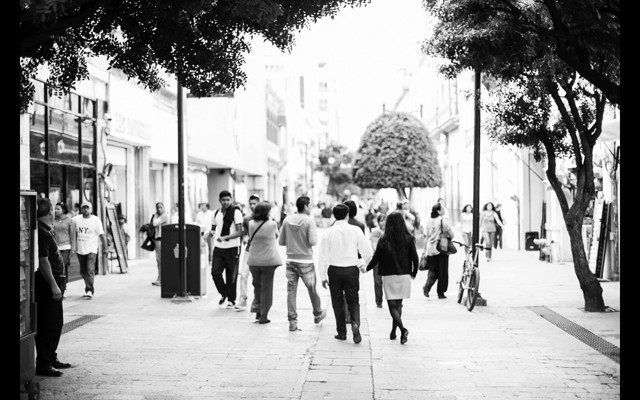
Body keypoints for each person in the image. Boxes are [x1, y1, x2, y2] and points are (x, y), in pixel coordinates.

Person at [318, 203, 373, 344]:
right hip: (351, 270)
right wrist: (364, 264)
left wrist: (323, 276)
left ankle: (341, 332)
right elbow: (367, 251)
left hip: (334, 270)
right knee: (353, 299)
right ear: (348, 215)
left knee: (337, 302)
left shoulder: (328, 232)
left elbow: (322, 256)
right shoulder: (355, 230)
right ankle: (355, 323)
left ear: (334, 216)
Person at [365, 211, 419, 344]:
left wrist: (366, 268)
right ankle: (394, 332)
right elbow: (415, 258)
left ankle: (402, 329)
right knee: (399, 304)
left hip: (389, 276)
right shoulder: (409, 238)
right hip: (404, 275)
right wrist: (413, 272)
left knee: (391, 306)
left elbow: (376, 258)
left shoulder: (384, 240)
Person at [35, 197, 72, 377]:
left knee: (56, 323)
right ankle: (44, 362)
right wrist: (53, 285)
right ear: (49, 211)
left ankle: (50, 356)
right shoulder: (41, 232)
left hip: (55, 282)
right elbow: (43, 262)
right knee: (48, 324)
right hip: (48, 284)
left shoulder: (45, 230)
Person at [279, 195, 327, 332]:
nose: (311, 207)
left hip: (291, 260)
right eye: (310, 205)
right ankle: (317, 314)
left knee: (291, 292)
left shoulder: (287, 220)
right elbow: (313, 242)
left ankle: (292, 322)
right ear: (305, 206)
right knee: (312, 289)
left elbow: (281, 242)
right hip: (306, 260)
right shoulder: (309, 221)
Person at [247, 201, 282, 324]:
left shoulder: (250, 223)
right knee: (267, 288)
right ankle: (264, 316)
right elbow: (277, 236)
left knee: (257, 286)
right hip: (268, 261)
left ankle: (257, 310)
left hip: (254, 261)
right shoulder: (272, 224)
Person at [210, 190, 244, 308]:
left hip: (233, 247)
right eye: (223, 200)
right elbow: (213, 228)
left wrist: (225, 237)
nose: (225, 202)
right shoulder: (216, 213)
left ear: (231, 200)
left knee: (231, 274)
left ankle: (231, 299)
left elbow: (240, 232)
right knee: (215, 272)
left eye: (228, 200)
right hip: (219, 247)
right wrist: (210, 233)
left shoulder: (236, 213)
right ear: (220, 201)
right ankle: (224, 292)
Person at [71, 202, 107, 299]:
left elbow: (102, 235)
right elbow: (69, 227)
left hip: (91, 249)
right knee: (83, 271)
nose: (86, 210)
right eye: (84, 208)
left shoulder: (95, 220)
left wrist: (105, 248)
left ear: (91, 209)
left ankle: (89, 290)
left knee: (89, 270)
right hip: (80, 249)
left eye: (88, 208)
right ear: (81, 209)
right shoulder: (75, 219)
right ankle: (88, 286)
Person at [422, 202, 455, 299]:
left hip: (431, 249)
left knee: (433, 270)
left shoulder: (428, 221)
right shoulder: (443, 221)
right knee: (443, 271)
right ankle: (441, 293)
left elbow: (426, 237)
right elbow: (452, 235)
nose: (444, 210)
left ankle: (427, 287)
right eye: (443, 209)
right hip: (442, 247)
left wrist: (424, 250)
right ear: (439, 211)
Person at [235, 194, 261, 310]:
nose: (252, 206)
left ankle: (259, 301)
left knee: (258, 278)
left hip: (261, 251)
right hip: (249, 249)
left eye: (254, 203)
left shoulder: (265, 218)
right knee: (244, 274)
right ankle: (243, 299)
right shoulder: (246, 218)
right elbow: (244, 234)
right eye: (250, 204)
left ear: (259, 204)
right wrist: (245, 238)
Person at [53, 202, 74, 285]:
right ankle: (58, 285)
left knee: (61, 266)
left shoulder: (69, 221)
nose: (56, 211)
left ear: (63, 210)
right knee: (56, 267)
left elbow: (72, 235)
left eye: (58, 209)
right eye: (55, 209)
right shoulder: (53, 220)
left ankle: (62, 286)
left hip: (66, 247)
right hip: (55, 247)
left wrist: (73, 248)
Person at [369, 213, 386, 308]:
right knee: (378, 281)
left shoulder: (391, 231)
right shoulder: (375, 232)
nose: (383, 222)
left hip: (390, 259)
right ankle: (379, 301)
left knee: (391, 280)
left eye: (385, 220)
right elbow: (374, 245)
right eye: (381, 220)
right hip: (378, 259)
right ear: (378, 222)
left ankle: (395, 299)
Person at [150, 202, 170, 286]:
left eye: (161, 207)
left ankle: (161, 279)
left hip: (161, 239)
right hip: (157, 239)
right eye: (157, 208)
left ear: (164, 207)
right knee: (158, 260)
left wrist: (154, 215)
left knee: (161, 260)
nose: (159, 209)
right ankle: (159, 278)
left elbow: (154, 223)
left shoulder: (164, 216)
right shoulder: (158, 216)